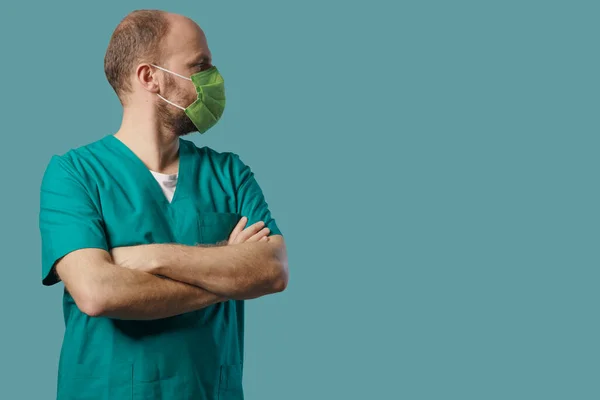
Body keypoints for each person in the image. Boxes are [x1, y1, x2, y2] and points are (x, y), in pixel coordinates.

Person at [38, 9, 288, 400]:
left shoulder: (229, 173)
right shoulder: (73, 175)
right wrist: (229, 275)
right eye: (200, 66)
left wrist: (150, 257)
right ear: (149, 77)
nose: (214, 79)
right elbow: (97, 292)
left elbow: (272, 270)